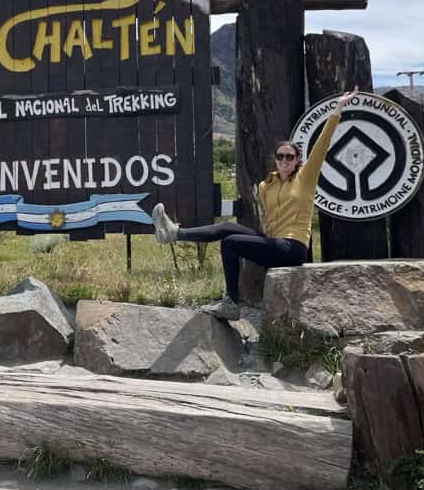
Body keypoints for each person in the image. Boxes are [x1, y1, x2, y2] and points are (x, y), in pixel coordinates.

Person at [152, 88, 359, 320]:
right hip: (273, 241)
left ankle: (231, 303)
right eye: (280, 156)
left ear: (297, 160)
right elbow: (269, 221)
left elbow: (322, 145)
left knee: (230, 243)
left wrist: (338, 108)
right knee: (227, 228)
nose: (284, 161)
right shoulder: (265, 185)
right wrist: (263, 238)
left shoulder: (305, 178)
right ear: (275, 159)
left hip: (293, 247)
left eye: (290, 157)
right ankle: (175, 233)